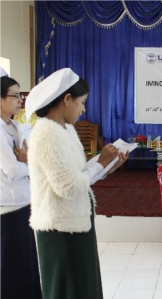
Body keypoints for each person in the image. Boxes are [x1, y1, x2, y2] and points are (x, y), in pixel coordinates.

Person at [25, 68, 128, 299]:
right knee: (68, 290)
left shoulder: (66, 130)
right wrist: (100, 162)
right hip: (60, 228)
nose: (83, 109)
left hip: (76, 221)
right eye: (81, 102)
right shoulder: (47, 134)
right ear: (66, 99)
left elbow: (79, 173)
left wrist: (109, 165)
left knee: (83, 287)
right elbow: (69, 187)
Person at [0, 76, 42, 298]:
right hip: (8, 208)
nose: (20, 99)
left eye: (20, 95)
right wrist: (32, 165)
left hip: (25, 202)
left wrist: (29, 161)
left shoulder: (16, 126)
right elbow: (13, 170)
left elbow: (28, 158)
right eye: (15, 95)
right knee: (12, 270)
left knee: (27, 266)